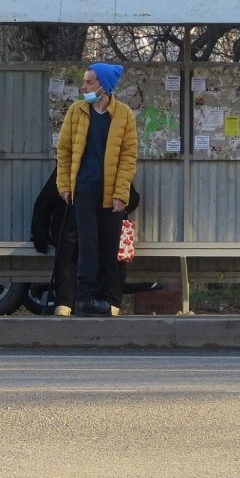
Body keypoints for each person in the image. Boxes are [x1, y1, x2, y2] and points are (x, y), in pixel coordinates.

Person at [55, 62, 138, 317]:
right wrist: (65, 185)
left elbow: (128, 157)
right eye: (84, 81)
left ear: (103, 86)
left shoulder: (124, 115)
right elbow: (65, 150)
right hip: (84, 189)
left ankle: (104, 297)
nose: (84, 87)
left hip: (111, 191)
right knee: (88, 245)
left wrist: (121, 194)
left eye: (89, 82)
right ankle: (85, 297)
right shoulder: (76, 111)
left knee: (109, 245)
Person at [31, 169, 139, 316]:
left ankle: (64, 304)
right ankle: (111, 303)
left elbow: (44, 203)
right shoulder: (114, 169)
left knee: (68, 259)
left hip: (70, 229)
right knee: (111, 256)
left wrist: (40, 236)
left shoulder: (68, 169)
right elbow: (132, 199)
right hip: (96, 230)